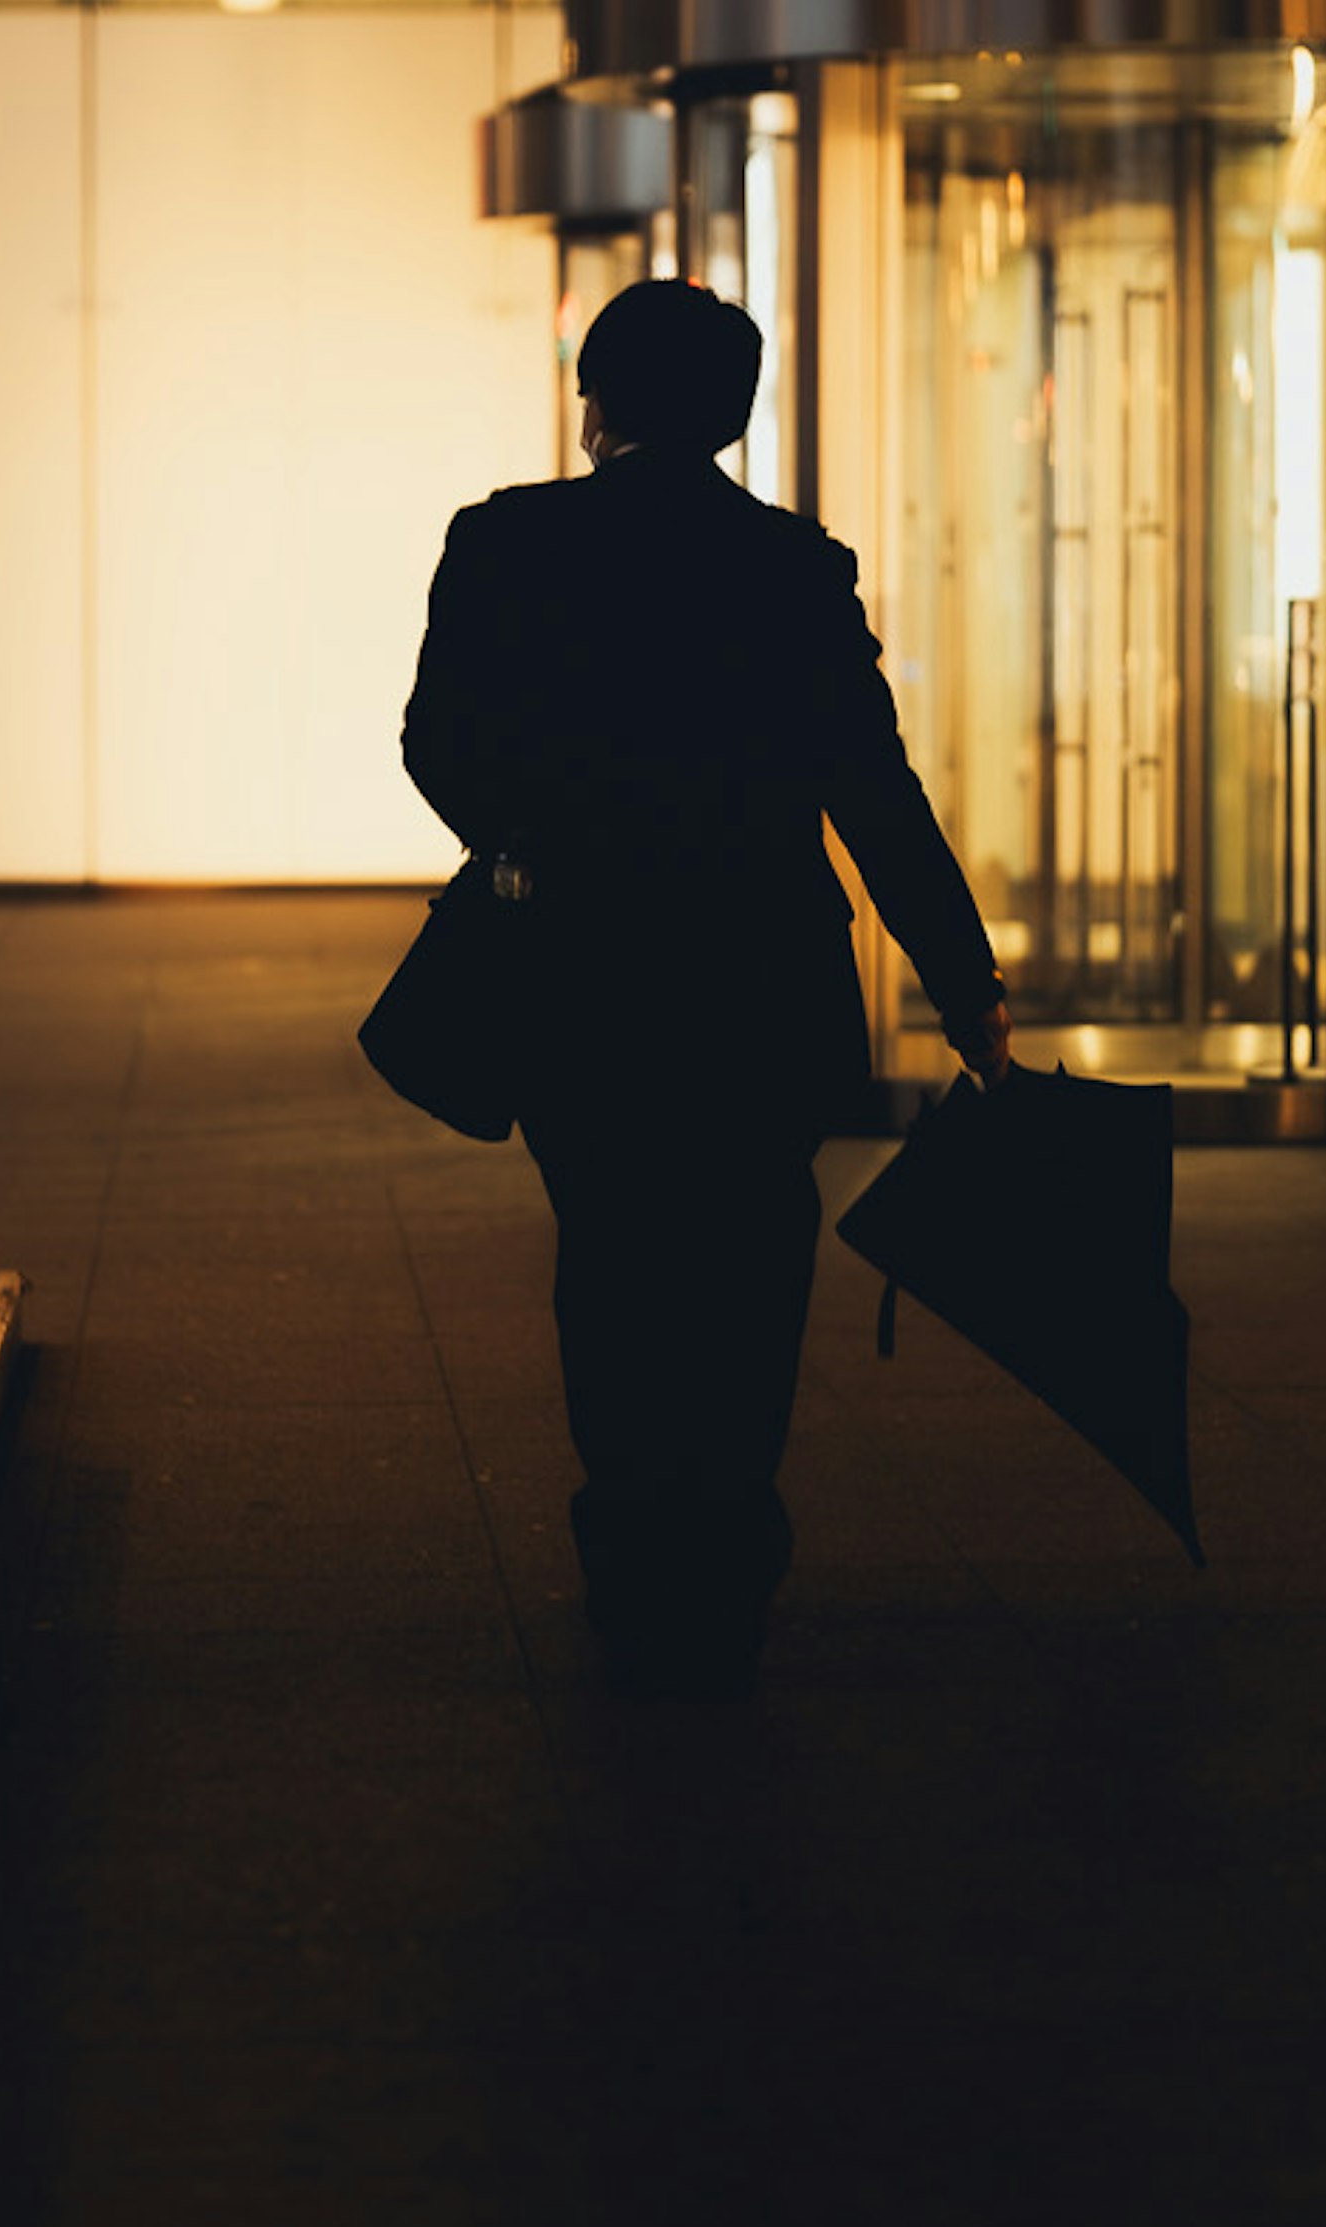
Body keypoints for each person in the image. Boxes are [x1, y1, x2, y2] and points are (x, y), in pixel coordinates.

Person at [400, 272, 1010, 1704]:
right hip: (758, 980)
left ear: (594, 399)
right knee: (747, 1258)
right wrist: (960, 969)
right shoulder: (797, 568)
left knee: (612, 1249)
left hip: (579, 976)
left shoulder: (502, 544)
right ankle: (729, 1545)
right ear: (734, 414)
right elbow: (874, 790)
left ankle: (629, 1539)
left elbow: (436, 742)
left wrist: (528, 846)